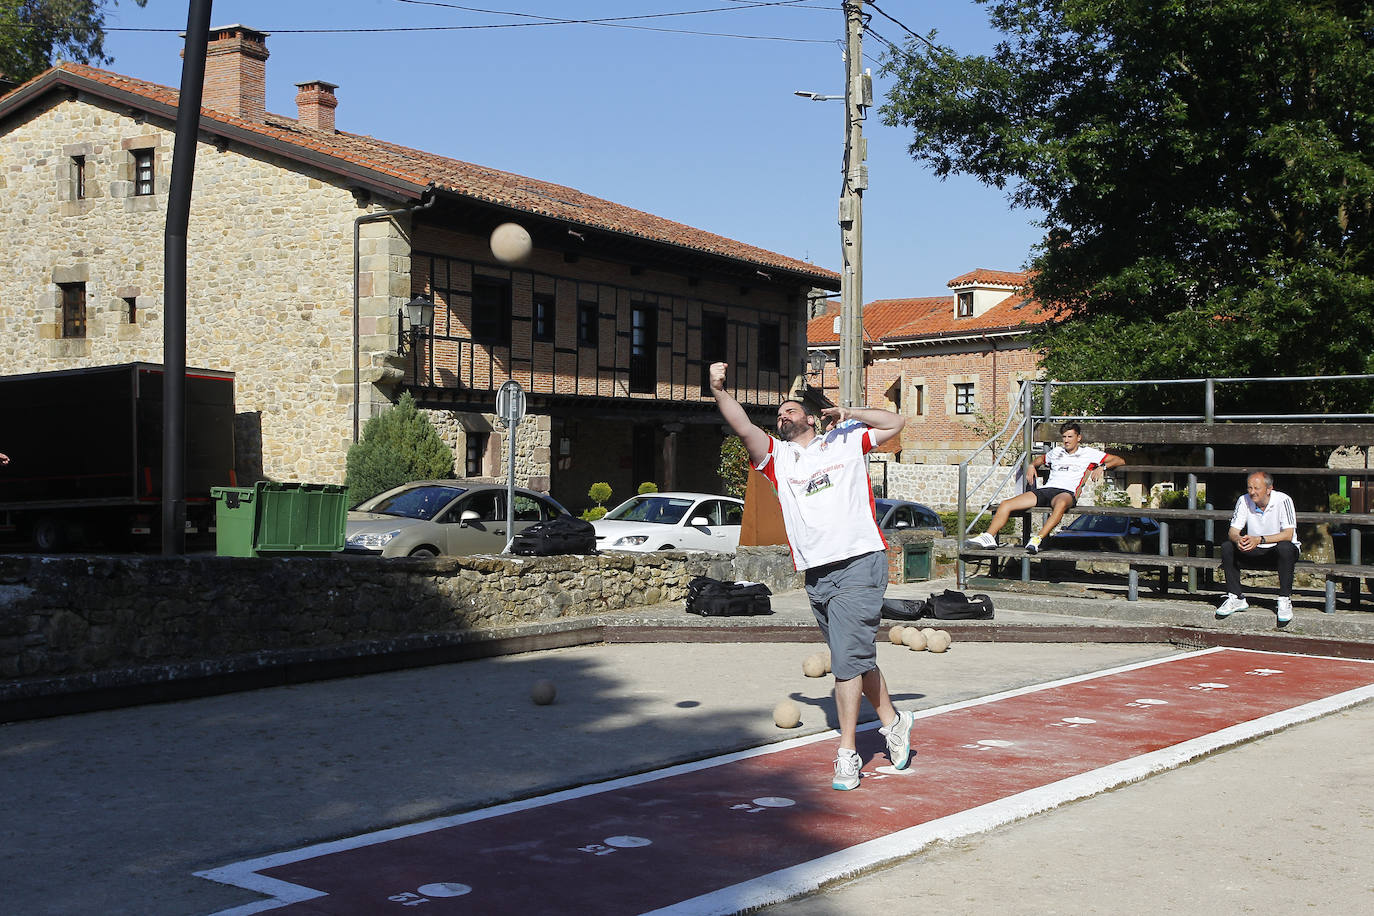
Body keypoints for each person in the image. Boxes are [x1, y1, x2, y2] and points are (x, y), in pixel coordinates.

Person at [708, 361, 912, 791]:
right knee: (852, 655)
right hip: (817, 573)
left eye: (790, 411)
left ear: (812, 418)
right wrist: (718, 390)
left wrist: (849, 411)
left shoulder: (845, 442)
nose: (782, 417)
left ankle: (847, 752)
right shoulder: (777, 458)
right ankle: (893, 721)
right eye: (778, 414)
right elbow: (742, 425)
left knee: (844, 664)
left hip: (860, 560)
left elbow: (896, 422)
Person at [966, 422, 1125, 554]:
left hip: (1066, 493)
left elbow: (1119, 460)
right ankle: (988, 536)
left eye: (1070, 437)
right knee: (1006, 504)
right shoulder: (1056, 452)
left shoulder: (1088, 453)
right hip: (1047, 490)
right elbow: (1040, 459)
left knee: (1060, 504)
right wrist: (1031, 465)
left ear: (1079, 438)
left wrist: (1102, 467)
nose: (1067, 440)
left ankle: (1037, 539)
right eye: (1064, 437)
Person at [1216, 471, 1299, 625]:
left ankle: (1284, 599)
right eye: (1249, 488)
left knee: (1286, 547)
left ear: (1269, 489)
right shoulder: (1243, 500)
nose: (1252, 492)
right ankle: (1236, 597)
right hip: (1255, 549)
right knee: (1228, 546)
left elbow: (1288, 534)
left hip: (1277, 550)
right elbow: (1233, 531)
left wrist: (1260, 539)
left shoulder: (1283, 500)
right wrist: (1239, 539)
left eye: (1256, 488)